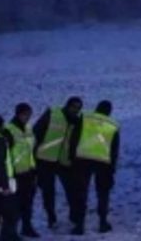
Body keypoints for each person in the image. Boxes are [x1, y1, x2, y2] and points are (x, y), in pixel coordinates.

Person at [68, 100, 120, 235]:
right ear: (109, 111)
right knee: (103, 194)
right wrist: (112, 169)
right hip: (103, 162)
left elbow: (74, 138)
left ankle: (79, 226)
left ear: (96, 108)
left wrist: (72, 157)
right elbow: (114, 150)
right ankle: (103, 222)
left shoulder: (85, 118)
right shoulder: (113, 125)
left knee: (81, 193)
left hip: (83, 160)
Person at [32, 97, 82, 229]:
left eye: (78, 108)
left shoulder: (77, 122)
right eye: (74, 107)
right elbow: (36, 132)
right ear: (68, 105)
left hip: (64, 161)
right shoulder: (52, 114)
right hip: (45, 160)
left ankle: (74, 216)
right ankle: (51, 217)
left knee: (72, 190)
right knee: (48, 192)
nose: (76, 110)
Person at [1, 104, 40, 238]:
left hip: (28, 172)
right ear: (18, 114)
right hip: (15, 174)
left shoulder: (28, 128)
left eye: (29, 114)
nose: (28, 117)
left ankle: (26, 227)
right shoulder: (8, 130)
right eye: (26, 114)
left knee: (27, 203)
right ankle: (10, 233)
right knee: (14, 206)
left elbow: (31, 150)